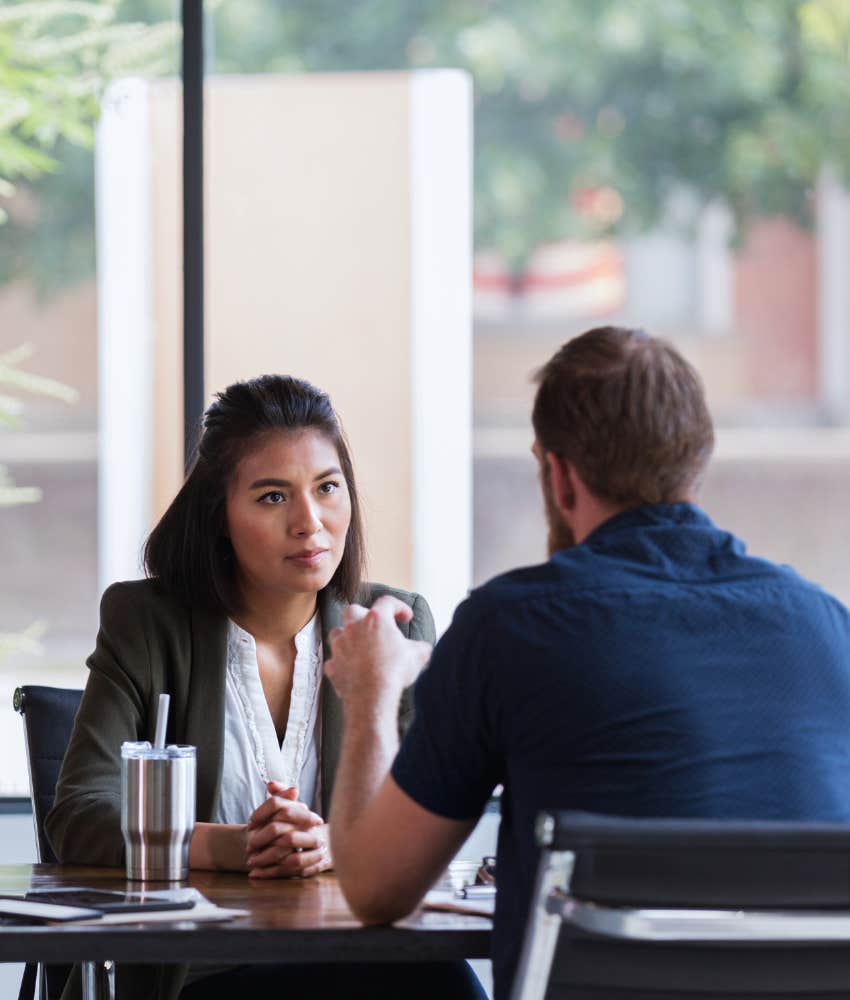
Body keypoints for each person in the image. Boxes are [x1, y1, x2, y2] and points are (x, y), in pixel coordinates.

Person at [323, 326, 850, 1000]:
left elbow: (374, 890)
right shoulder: (827, 628)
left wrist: (371, 693)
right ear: (697, 460)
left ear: (558, 474)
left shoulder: (508, 628)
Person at [46, 375, 484, 1000]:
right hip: (200, 971)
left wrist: (335, 844)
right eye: (273, 497)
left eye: (327, 488)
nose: (311, 524)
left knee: (447, 986)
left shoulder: (392, 623)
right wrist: (235, 847)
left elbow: (422, 817)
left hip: (358, 954)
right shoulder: (146, 623)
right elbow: (80, 816)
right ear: (220, 515)